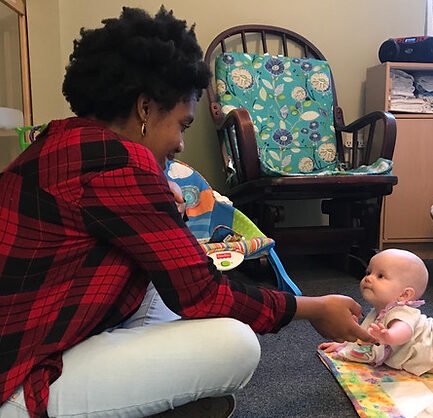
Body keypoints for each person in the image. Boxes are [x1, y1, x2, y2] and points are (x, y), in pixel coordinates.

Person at [0, 6, 374, 418]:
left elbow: (165, 265)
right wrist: (314, 308)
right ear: (145, 109)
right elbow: (202, 291)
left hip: (42, 330)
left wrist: (163, 200)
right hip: (20, 378)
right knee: (236, 344)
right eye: (182, 124)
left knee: (165, 290)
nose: (180, 143)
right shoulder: (121, 164)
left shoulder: (62, 141)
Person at [319, 248, 433, 376]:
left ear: (404, 294)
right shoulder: (379, 310)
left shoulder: (403, 312)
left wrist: (389, 336)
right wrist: (344, 344)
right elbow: (365, 336)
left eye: (380, 276)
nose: (368, 278)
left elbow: (404, 331)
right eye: (368, 272)